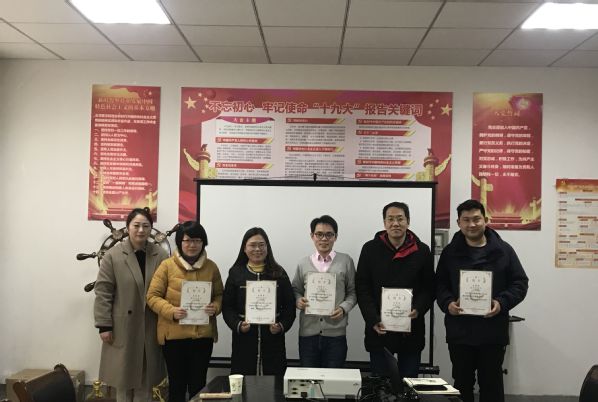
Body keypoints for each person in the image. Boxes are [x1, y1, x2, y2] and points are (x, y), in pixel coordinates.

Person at [436, 199, 528, 402]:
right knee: (462, 384)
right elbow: (439, 284)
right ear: (459, 223)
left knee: (492, 384)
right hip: (460, 332)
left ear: (485, 220)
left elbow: (520, 283)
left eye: (476, 219)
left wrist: (501, 303)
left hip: (492, 332)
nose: (472, 224)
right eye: (466, 220)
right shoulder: (450, 253)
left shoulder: (504, 250)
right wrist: (448, 303)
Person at [94, 207, 168, 402]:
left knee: (145, 381)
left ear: (151, 228)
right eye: (136, 225)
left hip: (150, 325)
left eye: (146, 226)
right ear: (127, 228)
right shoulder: (113, 255)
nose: (141, 230)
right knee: (123, 380)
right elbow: (103, 291)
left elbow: (169, 288)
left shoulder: (161, 255)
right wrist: (104, 325)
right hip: (122, 327)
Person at [356, 202, 434, 379]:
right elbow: (362, 287)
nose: (395, 223)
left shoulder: (422, 250)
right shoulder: (370, 249)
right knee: (380, 386)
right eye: (390, 219)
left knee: (409, 383)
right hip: (379, 329)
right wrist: (373, 318)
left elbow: (429, 287)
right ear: (384, 223)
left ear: (408, 221)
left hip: (411, 329)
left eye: (400, 219)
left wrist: (418, 309)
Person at [146, 221, 223, 402]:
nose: (192, 245)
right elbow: (152, 296)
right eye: (187, 240)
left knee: (199, 385)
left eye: (197, 240)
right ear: (180, 242)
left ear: (203, 242)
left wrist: (215, 307)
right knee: (177, 385)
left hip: (202, 337)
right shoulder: (166, 266)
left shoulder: (211, 267)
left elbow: (219, 295)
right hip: (174, 337)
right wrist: (171, 311)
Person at [222, 227, 296, 375]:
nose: (257, 249)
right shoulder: (236, 273)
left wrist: (281, 326)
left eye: (262, 245)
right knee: (244, 384)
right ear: (244, 248)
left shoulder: (279, 273)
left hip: (273, 341)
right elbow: (227, 307)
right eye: (252, 245)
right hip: (244, 341)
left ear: (267, 247)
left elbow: (290, 306)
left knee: (274, 383)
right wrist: (238, 325)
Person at [292, 215, 357, 368]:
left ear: (335, 237)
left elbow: (353, 292)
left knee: (334, 379)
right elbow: (295, 289)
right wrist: (298, 300)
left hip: (336, 334)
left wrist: (343, 308)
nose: (324, 239)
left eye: (329, 234)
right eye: (319, 234)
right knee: (309, 379)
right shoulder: (303, 263)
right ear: (312, 236)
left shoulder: (346, 261)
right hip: (308, 334)